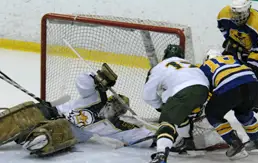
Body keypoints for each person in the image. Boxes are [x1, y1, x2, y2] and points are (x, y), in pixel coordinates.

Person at [0, 64, 155, 156]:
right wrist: (97, 78)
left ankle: (29, 137)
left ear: (120, 113)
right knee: (19, 117)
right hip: (52, 112)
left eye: (119, 108)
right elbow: (82, 81)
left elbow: (138, 135)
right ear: (110, 100)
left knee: (43, 138)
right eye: (115, 103)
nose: (115, 107)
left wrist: (159, 138)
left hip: (66, 130)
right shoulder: (96, 96)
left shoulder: (113, 126)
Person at [141, 44, 210, 163]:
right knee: (181, 115)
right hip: (203, 92)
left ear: (165, 56)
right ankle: (188, 144)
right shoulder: (191, 65)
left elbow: (148, 95)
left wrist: (162, 108)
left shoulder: (159, 67)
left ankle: (161, 157)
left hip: (183, 92)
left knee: (167, 121)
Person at [200, 49, 258, 160]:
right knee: (243, 112)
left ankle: (234, 142)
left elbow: (205, 89)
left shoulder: (205, 66)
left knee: (212, 114)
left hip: (229, 85)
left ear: (207, 58)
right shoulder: (232, 58)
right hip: (253, 83)